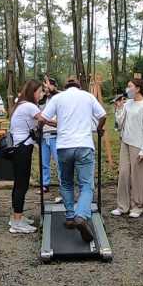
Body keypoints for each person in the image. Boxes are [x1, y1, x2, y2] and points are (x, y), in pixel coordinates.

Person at [40, 77, 107, 243]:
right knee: (86, 185)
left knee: (67, 183)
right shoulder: (87, 96)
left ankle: (70, 216)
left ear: (65, 87)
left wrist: (38, 131)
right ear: (79, 86)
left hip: (63, 146)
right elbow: (103, 115)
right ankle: (81, 215)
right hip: (84, 145)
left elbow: (42, 118)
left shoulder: (58, 98)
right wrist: (99, 129)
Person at [112, 78, 143, 218]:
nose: (127, 89)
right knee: (123, 173)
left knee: (137, 176)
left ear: (137, 88)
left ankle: (137, 206)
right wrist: (118, 108)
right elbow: (119, 123)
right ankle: (122, 206)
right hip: (125, 142)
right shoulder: (128, 103)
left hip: (138, 144)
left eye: (130, 86)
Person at [7, 80, 44, 234]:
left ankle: (17, 216)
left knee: (19, 183)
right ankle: (16, 222)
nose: (41, 94)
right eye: (40, 91)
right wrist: (62, 123)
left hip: (18, 147)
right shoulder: (29, 106)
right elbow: (44, 119)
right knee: (21, 184)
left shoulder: (21, 104)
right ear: (33, 92)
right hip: (22, 148)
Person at [39, 77, 60, 193]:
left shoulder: (58, 98)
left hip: (55, 134)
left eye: (47, 86)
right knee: (44, 162)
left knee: (59, 162)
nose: (45, 88)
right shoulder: (42, 100)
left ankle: (63, 184)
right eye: (44, 86)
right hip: (44, 134)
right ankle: (45, 184)